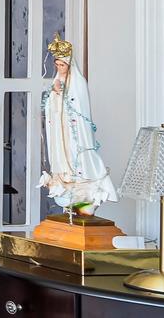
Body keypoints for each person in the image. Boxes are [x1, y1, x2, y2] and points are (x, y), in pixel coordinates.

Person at [40, 36, 116, 213]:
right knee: (62, 154)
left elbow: (79, 106)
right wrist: (54, 94)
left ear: (69, 65)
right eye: (57, 65)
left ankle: (82, 186)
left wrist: (63, 95)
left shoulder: (78, 83)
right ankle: (65, 179)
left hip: (74, 129)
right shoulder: (56, 81)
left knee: (76, 153)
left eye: (62, 65)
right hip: (60, 129)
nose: (59, 68)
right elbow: (50, 105)